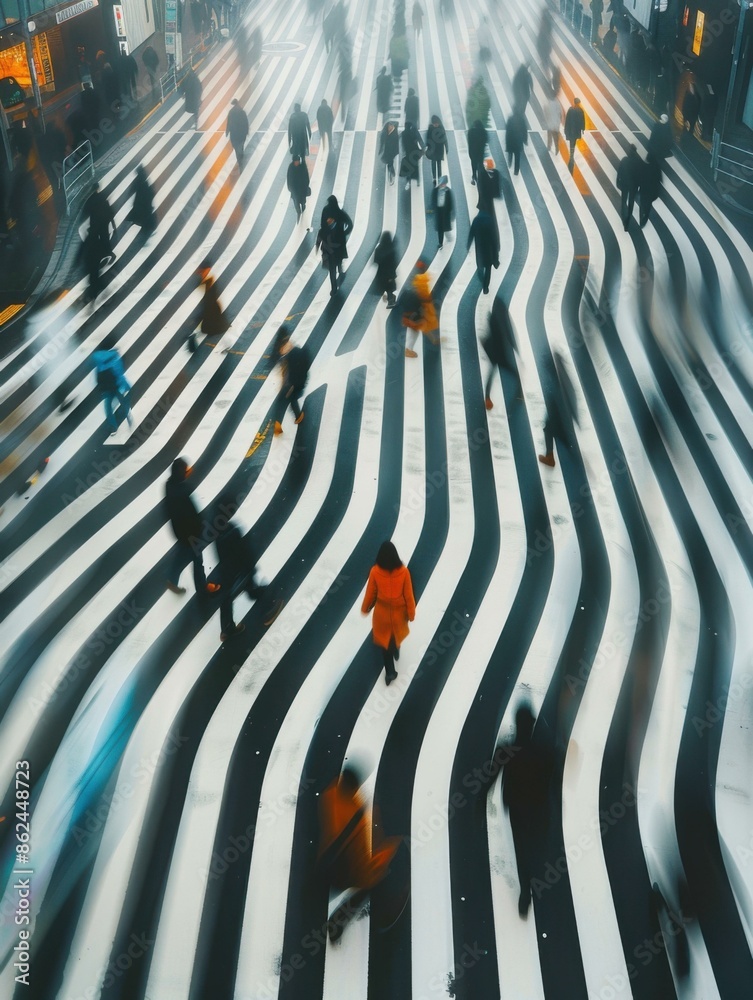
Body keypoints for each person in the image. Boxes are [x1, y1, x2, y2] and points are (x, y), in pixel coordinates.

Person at [318, 765, 403, 941]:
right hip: (345, 868)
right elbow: (361, 856)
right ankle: (336, 924)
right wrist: (388, 852)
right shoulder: (359, 819)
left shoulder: (331, 794)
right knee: (368, 887)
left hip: (326, 862)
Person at [500, 703, 553, 916]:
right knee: (534, 845)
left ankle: (526, 891)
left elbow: (489, 778)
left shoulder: (507, 750)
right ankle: (536, 875)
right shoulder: (544, 752)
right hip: (537, 807)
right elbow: (552, 780)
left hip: (516, 806)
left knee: (521, 848)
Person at [164, 458, 221, 596]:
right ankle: (202, 588)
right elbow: (192, 514)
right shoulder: (184, 491)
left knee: (181, 553)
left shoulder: (169, 485)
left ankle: (172, 579)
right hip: (191, 533)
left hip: (178, 530)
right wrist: (200, 527)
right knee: (197, 560)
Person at [361, 541, 416, 683]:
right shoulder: (404, 572)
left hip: (382, 613)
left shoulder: (375, 571)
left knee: (384, 644)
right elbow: (408, 595)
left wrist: (365, 608)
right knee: (395, 635)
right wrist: (411, 613)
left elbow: (370, 593)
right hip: (399, 613)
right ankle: (396, 647)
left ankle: (390, 672)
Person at [214, 497, 265, 641]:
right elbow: (245, 551)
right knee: (249, 587)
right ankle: (268, 605)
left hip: (227, 571)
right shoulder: (233, 531)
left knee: (227, 598)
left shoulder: (218, 533)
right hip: (241, 570)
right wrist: (251, 566)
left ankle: (227, 628)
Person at [273, 326, 311, 433]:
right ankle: (298, 416)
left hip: (289, 382)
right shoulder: (294, 350)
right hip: (298, 381)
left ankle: (278, 424)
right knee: (292, 398)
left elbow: (284, 368)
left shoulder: (281, 350)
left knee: (281, 401)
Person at [481, 298, 517, 409]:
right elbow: (507, 336)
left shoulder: (494, 321)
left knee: (491, 374)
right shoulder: (501, 324)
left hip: (494, 354)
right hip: (499, 354)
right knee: (513, 372)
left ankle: (487, 397)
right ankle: (519, 393)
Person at [93, 343, 133, 435]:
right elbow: (119, 373)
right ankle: (128, 416)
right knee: (123, 402)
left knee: (107, 407)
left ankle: (113, 427)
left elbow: (97, 375)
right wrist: (125, 385)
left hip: (106, 388)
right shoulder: (116, 359)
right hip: (116, 386)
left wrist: (100, 387)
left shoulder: (99, 360)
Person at [316, 195, 353, 295]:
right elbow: (350, 223)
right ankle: (340, 270)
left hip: (328, 244)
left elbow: (322, 225)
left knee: (331, 268)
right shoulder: (340, 213)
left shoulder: (326, 210)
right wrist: (344, 232)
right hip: (339, 242)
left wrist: (320, 240)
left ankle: (333, 287)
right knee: (339, 258)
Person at [402, 260, 438, 356]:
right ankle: (408, 349)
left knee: (418, 329)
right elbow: (421, 301)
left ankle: (433, 339)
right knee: (415, 331)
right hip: (413, 314)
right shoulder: (420, 291)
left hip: (410, 312)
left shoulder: (415, 283)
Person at [194, 261, 231, 348]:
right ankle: (225, 340)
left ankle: (225, 341)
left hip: (211, 306)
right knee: (214, 320)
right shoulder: (208, 280)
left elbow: (210, 292)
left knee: (213, 320)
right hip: (211, 305)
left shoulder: (209, 280)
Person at [83, 181, 117, 264]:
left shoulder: (90, 199)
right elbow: (109, 210)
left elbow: (87, 211)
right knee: (104, 238)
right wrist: (113, 224)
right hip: (103, 222)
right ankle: (109, 253)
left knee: (97, 239)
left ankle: (105, 254)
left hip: (95, 223)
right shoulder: (102, 197)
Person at [468, 209, 499, 295]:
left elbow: (471, 233)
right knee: (488, 268)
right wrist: (496, 250)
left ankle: (482, 279)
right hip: (488, 248)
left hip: (479, 248)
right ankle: (486, 286)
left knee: (480, 266)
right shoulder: (490, 220)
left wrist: (468, 244)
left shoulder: (476, 220)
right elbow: (494, 236)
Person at [616, 143, 641, 231]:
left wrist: (618, 182)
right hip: (634, 186)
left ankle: (624, 219)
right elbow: (640, 175)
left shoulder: (624, 160)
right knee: (631, 202)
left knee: (623, 201)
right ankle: (628, 219)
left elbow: (619, 172)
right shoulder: (638, 161)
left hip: (625, 184)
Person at [127, 166, 156, 237]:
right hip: (145, 199)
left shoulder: (138, 179)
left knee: (141, 212)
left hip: (140, 199)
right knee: (145, 212)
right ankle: (146, 225)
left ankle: (143, 224)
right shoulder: (144, 178)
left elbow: (133, 188)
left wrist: (130, 193)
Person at [374, 230, 398, 307]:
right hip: (390, 272)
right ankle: (390, 300)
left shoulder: (378, 249)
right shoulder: (392, 250)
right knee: (389, 287)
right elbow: (394, 263)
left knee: (384, 286)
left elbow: (376, 260)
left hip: (381, 272)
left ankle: (389, 298)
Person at [638, 152, 662, 228]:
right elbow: (659, 179)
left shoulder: (644, 167)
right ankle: (644, 220)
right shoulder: (657, 167)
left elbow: (640, 178)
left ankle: (641, 219)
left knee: (642, 205)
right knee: (648, 206)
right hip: (652, 191)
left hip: (644, 190)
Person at [400, 120, 424, 190]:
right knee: (415, 166)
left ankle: (408, 181)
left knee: (408, 167)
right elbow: (419, 140)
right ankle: (417, 180)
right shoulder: (414, 132)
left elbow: (403, 144)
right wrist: (423, 149)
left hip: (408, 152)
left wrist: (403, 152)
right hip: (415, 152)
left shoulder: (403, 133)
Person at [287, 153, 311, 223]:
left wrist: (306, 185)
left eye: (297, 161)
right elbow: (289, 178)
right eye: (296, 161)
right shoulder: (291, 167)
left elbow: (306, 176)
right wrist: (290, 187)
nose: (297, 162)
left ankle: (303, 206)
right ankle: (298, 211)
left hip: (301, 187)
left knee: (302, 200)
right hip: (294, 188)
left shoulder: (302, 166)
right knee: (295, 201)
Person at [431, 175, 454, 248]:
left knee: (445, 227)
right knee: (440, 228)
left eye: (443, 184)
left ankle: (449, 237)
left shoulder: (448, 191)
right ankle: (440, 243)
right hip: (439, 212)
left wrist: (450, 213)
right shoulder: (435, 190)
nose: (442, 185)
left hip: (445, 212)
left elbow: (450, 203)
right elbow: (433, 200)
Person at [564, 96, 586, 171]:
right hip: (576, 130)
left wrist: (565, 129)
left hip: (570, 130)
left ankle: (571, 155)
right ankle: (571, 154)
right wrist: (582, 128)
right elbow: (582, 121)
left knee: (571, 141)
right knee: (573, 142)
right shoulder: (580, 111)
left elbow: (567, 120)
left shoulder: (570, 110)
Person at [425, 115, 447, 186]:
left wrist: (446, 147)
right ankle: (434, 178)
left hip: (439, 149)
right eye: (434, 124)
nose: (435, 125)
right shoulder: (430, 128)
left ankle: (439, 177)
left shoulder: (441, 128)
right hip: (433, 149)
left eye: (436, 123)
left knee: (439, 163)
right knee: (433, 163)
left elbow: (444, 139)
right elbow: (428, 138)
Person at [226, 98, 249, 167]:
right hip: (242, 133)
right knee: (241, 144)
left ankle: (239, 158)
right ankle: (241, 154)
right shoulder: (242, 112)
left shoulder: (231, 112)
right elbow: (246, 122)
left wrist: (227, 131)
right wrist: (246, 131)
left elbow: (229, 122)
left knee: (236, 146)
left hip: (234, 133)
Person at [505, 107, 528, 176]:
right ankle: (516, 171)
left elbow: (507, 131)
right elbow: (524, 130)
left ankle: (509, 162)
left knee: (510, 152)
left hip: (511, 140)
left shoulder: (510, 119)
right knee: (517, 156)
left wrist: (507, 141)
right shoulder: (521, 120)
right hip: (518, 141)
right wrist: (525, 140)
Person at [467, 119, 488, 184]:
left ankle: (474, 176)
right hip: (480, 151)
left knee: (473, 163)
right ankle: (481, 176)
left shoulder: (471, 131)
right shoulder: (483, 131)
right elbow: (486, 140)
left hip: (472, 151)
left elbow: (469, 141)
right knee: (480, 163)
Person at [543, 89, 562, 154]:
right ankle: (556, 148)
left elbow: (545, 112)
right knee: (556, 137)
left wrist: (546, 119)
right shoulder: (557, 103)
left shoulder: (547, 103)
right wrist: (559, 122)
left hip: (549, 123)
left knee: (549, 135)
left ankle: (549, 146)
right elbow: (560, 113)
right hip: (556, 123)